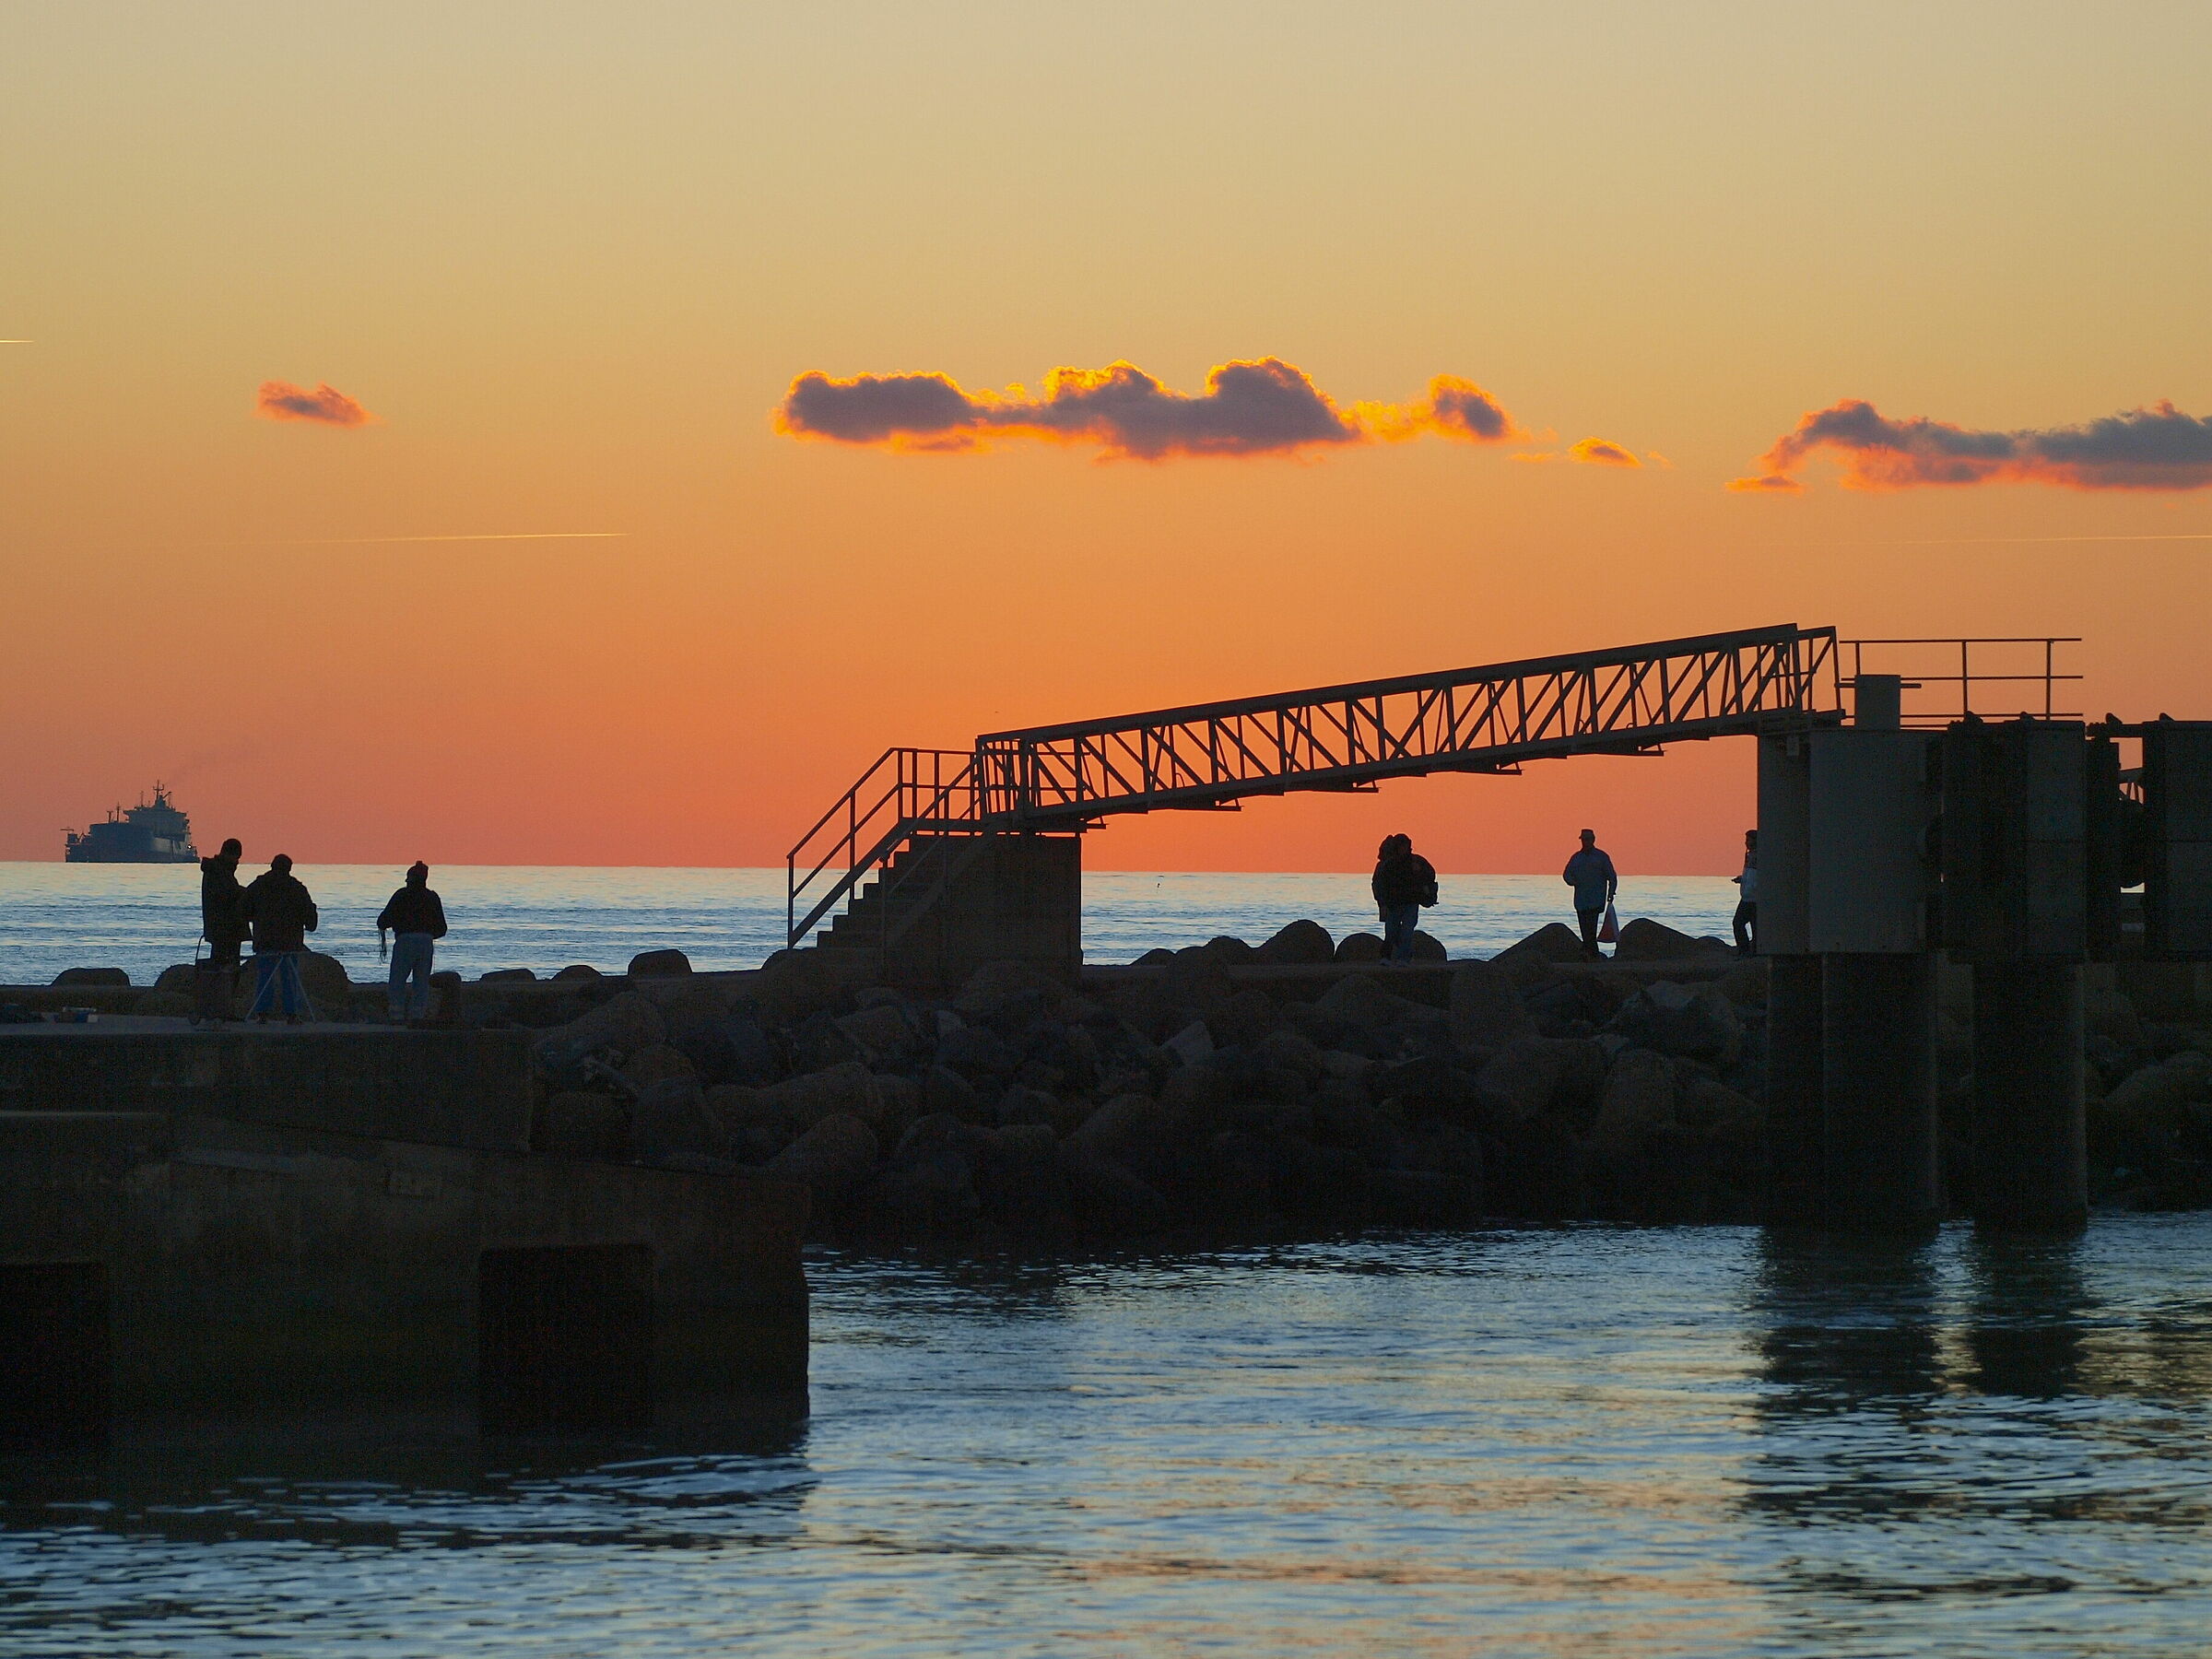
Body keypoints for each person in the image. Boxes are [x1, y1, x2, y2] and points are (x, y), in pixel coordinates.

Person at [241, 853, 320, 1021]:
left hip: (265, 940)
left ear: (272, 866)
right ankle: (291, 1014)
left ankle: (262, 1014)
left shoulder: (258, 885)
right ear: (289, 869)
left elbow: (243, 909)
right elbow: (311, 922)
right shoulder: (297, 888)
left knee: (264, 977)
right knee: (289, 978)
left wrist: (256, 918)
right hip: (290, 942)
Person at [377, 862, 449, 1023]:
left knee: (397, 980)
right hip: (426, 942)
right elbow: (442, 928)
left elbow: (383, 921)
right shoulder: (432, 897)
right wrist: (427, 935)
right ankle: (418, 1016)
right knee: (422, 982)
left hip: (405, 940)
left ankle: (396, 1015)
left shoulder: (401, 895)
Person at [1371, 832, 1438, 963]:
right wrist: (1382, 903)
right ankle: (1388, 957)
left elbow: (1430, 875)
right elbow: (1380, 884)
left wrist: (1419, 872)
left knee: (1406, 931)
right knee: (1391, 932)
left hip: (1411, 902)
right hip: (1393, 903)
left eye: (1405, 846)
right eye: (1401, 847)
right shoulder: (1388, 864)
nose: (1403, 849)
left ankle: (1403, 958)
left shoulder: (1416, 861)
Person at [1562, 828, 1618, 959]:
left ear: (1593, 840)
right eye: (1583, 840)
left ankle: (1590, 953)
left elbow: (1612, 876)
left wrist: (1611, 893)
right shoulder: (1576, 858)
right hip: (1581, 900)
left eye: (1587, 839)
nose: (1585, 842)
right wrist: (1572, 881)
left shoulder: (1601, 857)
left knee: (1591, 927)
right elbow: (1566, 874)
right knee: (1584, 927)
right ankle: (1590, 953)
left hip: (1596, 899)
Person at [199, 838, 249, 968]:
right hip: (225, 927)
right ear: (229, 855)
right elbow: (227, 894)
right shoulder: (219, 872)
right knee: (226, 965)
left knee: (220, 962)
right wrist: (247, 893)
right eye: (236, 857)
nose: (237, 862)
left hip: (220, 927)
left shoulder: (218, 871)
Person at [1731, 829, 1759, 957]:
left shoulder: (1759, 856)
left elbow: (1757, 877)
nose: (1746, 843)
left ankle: (1748, 950)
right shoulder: (1749, 855)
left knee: (1743, 924)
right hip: (1747, 897)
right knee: (1740, 923)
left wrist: (1753, 887)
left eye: (1749, 840)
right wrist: (1742, 880)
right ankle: (1746, 949)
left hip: (1755, 898)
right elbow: (1751, 875)